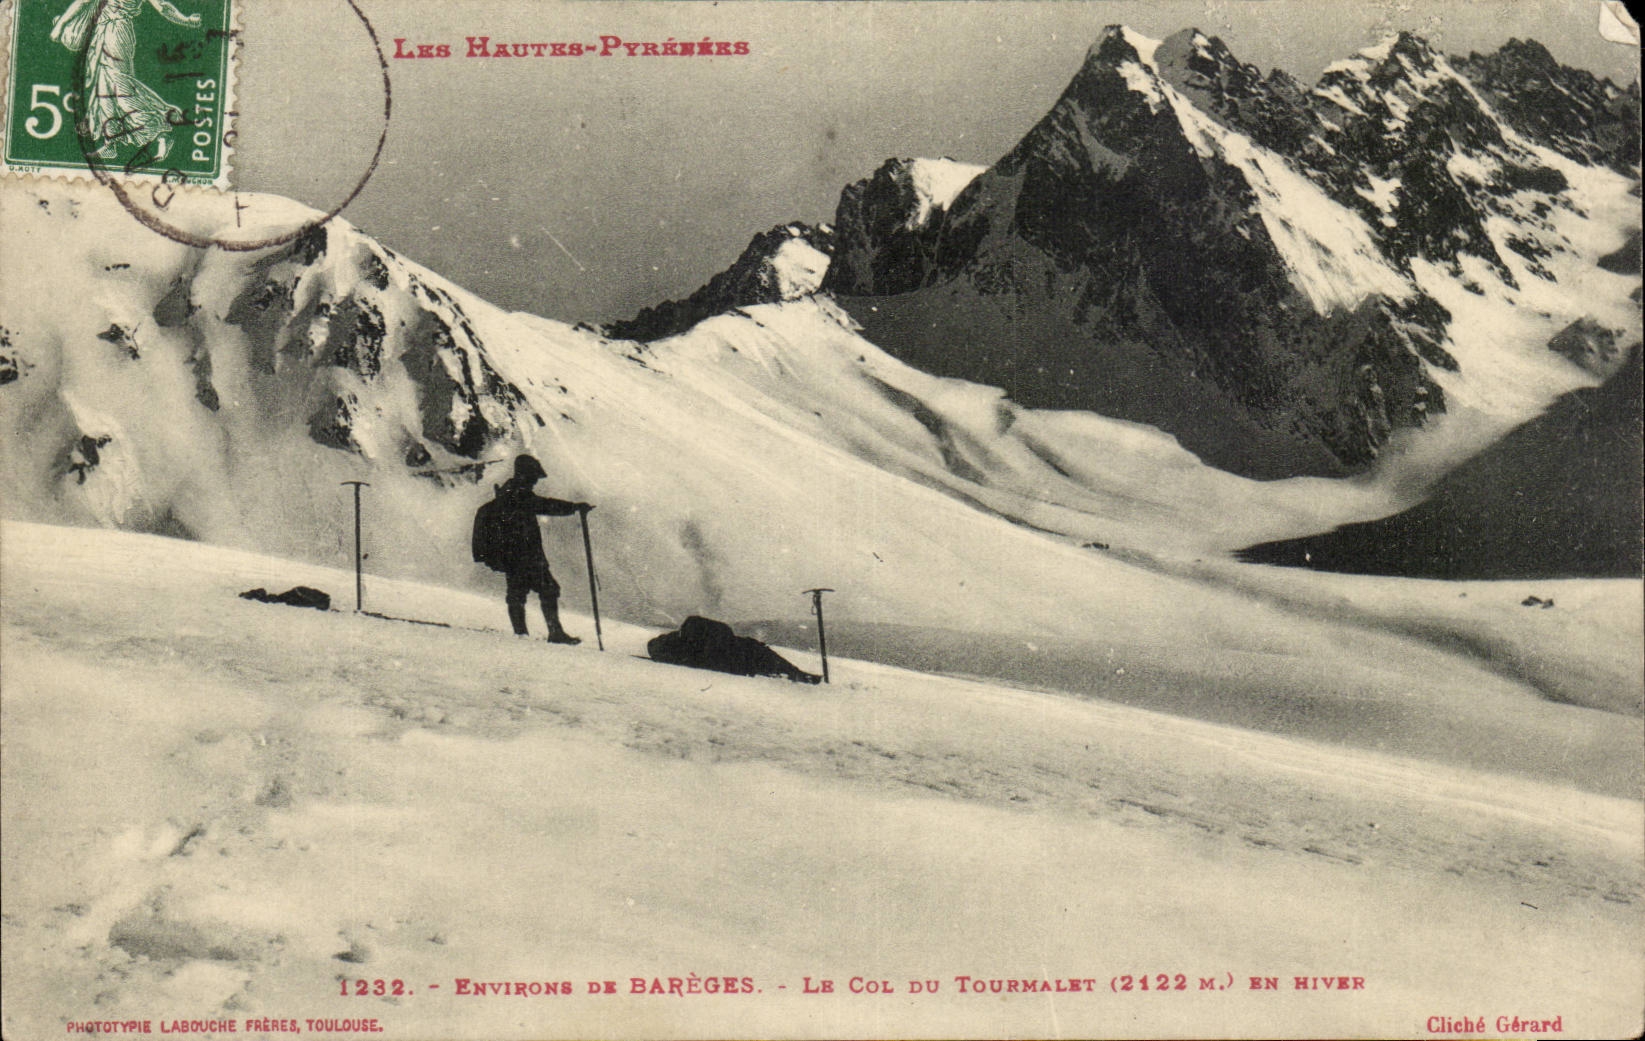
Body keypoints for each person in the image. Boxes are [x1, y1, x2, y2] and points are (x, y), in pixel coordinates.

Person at [51, 0, 202, 161]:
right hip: (105, 31)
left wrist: (60, 25)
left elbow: (162, 6)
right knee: (104, 86)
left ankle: (159, 132)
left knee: (119, 87)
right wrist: (186, 20)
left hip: (115, 34)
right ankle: (111, 142)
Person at [492, 454, 591, 643]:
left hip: (516, 554)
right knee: (544, 590)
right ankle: (549, 633)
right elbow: (544, 505)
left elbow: (541, 504)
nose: (535, 481)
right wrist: (574, 507)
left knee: (521, 592)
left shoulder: (510, 490)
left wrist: (573, 507)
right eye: (534, 477)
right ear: (526, 475)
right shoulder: (517, 493)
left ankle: (523, 633)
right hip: (524, 554)